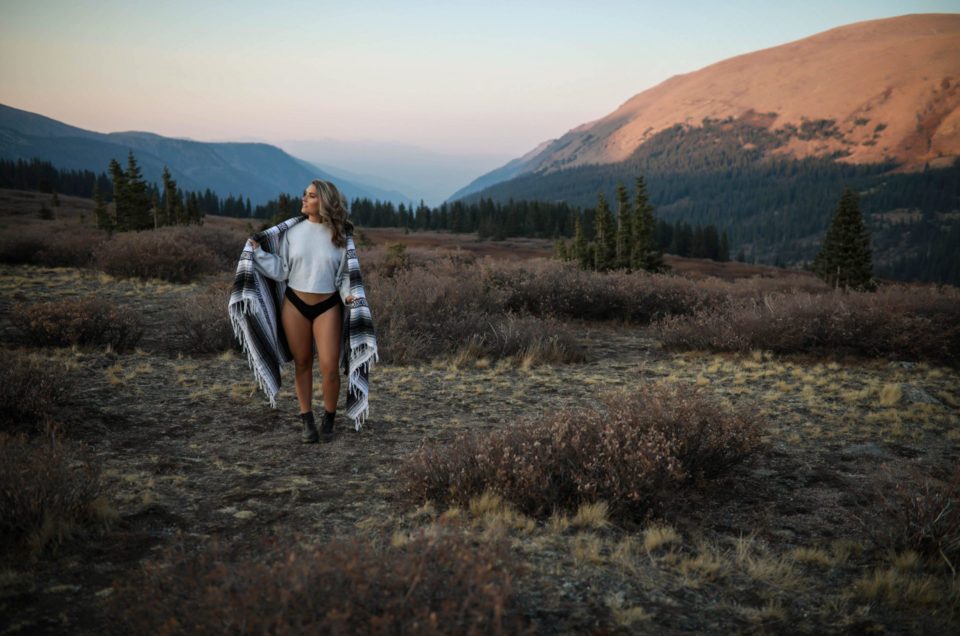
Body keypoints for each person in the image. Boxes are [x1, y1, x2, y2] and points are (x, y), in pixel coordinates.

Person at [238, 179, 374, 443]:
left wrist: (349, 295)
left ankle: (329, 419)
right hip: (295, 305)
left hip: (328, 306)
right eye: (304, 194)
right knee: (302, 363)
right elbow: (282, 270)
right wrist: (258, 254)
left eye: (310, 196)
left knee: (329, 367)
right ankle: (307, 420)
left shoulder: (340, 236)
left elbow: (347, 273)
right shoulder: (292, 233)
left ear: (323, 202)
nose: (303, 199)